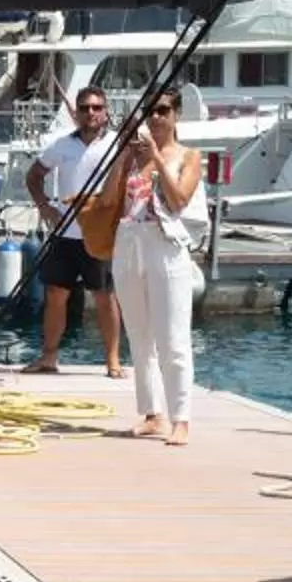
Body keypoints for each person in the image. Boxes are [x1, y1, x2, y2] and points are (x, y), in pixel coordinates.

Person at [111, 92, 205, 445]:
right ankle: (152, 414)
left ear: (176, 114)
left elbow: (179, 199)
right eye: (149, 111)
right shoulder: (134, 156)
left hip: (165, 244)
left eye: (163, 110)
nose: (155, 117)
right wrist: (123, 157)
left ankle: (181, 419)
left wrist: (157, 159)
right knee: (138, 335)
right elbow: (110, 199)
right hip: (128, 241)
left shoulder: (189, 156)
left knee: (173, 338)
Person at [25, 85, 123, 375]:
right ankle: (49, 357)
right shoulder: (61, 144)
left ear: (105, 112)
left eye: (96, 107)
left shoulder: (118, 143)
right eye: (84, 108)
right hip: (65, 232)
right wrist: (45, 207)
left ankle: (112, 360)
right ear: (76, 113)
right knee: (55, 294)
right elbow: (33, 175)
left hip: (100, 234)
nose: (91, 113)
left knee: (104, 296)